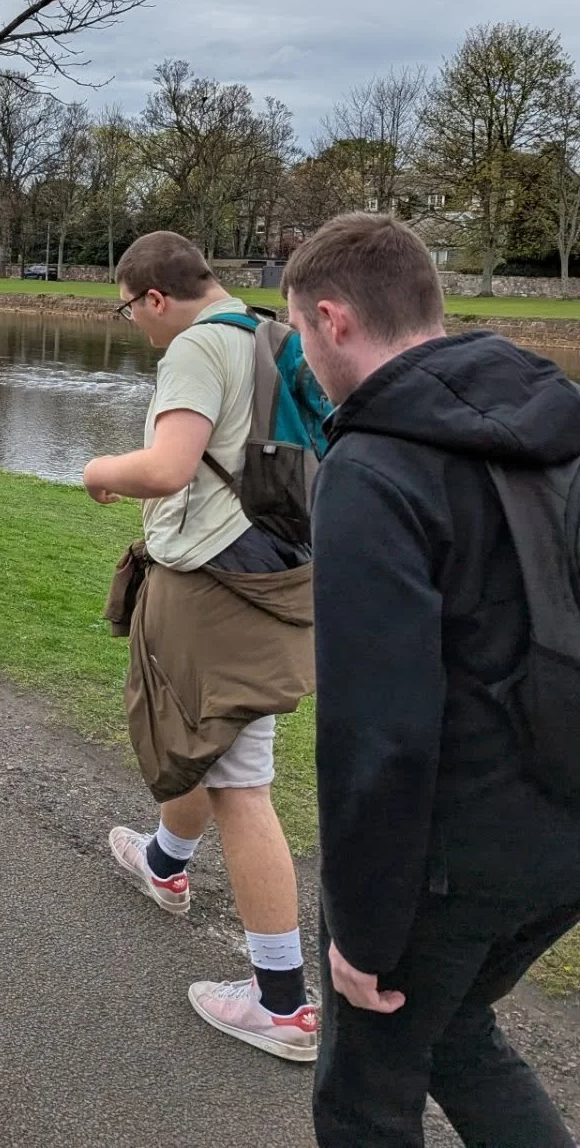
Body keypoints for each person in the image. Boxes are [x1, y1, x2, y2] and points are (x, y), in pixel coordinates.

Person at [282, 213, 580, 1146]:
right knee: (453, 1032)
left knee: (364, 1102)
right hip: (562, 819)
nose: (303, 358)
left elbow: (378, 728)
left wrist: (362, 933)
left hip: (453, 853)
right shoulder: (555, 419)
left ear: (332, 320)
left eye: (298, 333)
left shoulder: (373, 467)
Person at [85, 231, 318, 1062]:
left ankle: (281, 1001)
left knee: (242, 785)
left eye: (130, 309)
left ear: (155, 297)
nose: (136, 325)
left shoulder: (195, 347)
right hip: (281, 564)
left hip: (219, 583)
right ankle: (164, 860)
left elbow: (170, 467)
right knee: (206, 733)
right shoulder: (272, 335)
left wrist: (102, 470)